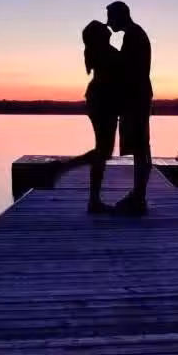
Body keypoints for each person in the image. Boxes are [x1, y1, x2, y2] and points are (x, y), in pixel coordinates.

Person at [56, 20, 120, 213]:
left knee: (103, 151)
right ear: (100, 35)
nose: (108, 28)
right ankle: (67, 168)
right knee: (103, 151)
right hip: (103, 102)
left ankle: (93, 199)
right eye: (104, 28)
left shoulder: (97, 51)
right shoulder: (106, 52)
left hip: (98, 100)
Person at [106, 0, 152, 215]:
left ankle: (139, 198)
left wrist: (108, 52)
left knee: (140, 148)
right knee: (140, 147)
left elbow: (128, 69)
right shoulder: (134, 34)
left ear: (120, 16)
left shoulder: (133, 35)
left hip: (136, 98)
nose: (108, 23)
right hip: (137, 97)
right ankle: (138, 196)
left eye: (110, 18)